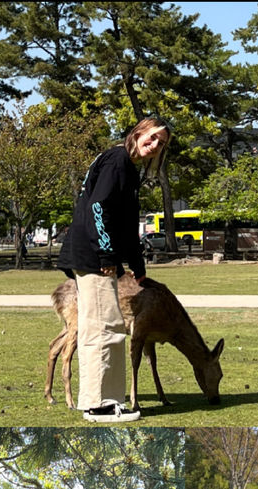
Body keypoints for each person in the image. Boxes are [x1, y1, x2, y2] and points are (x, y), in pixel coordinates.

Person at [57, 117, 172, 423]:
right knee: (102, 327)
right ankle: (98, 405)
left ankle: (110, 400)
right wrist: (107, 253)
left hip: (97, 256)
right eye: (153, 137)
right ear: (138, 133)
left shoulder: (125, 166)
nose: (155, 144)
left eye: (161, 143)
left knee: (110, 326)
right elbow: (98, 207)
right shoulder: (117, 159)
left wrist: (137, 265)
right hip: (93, 257)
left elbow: (125, 222)